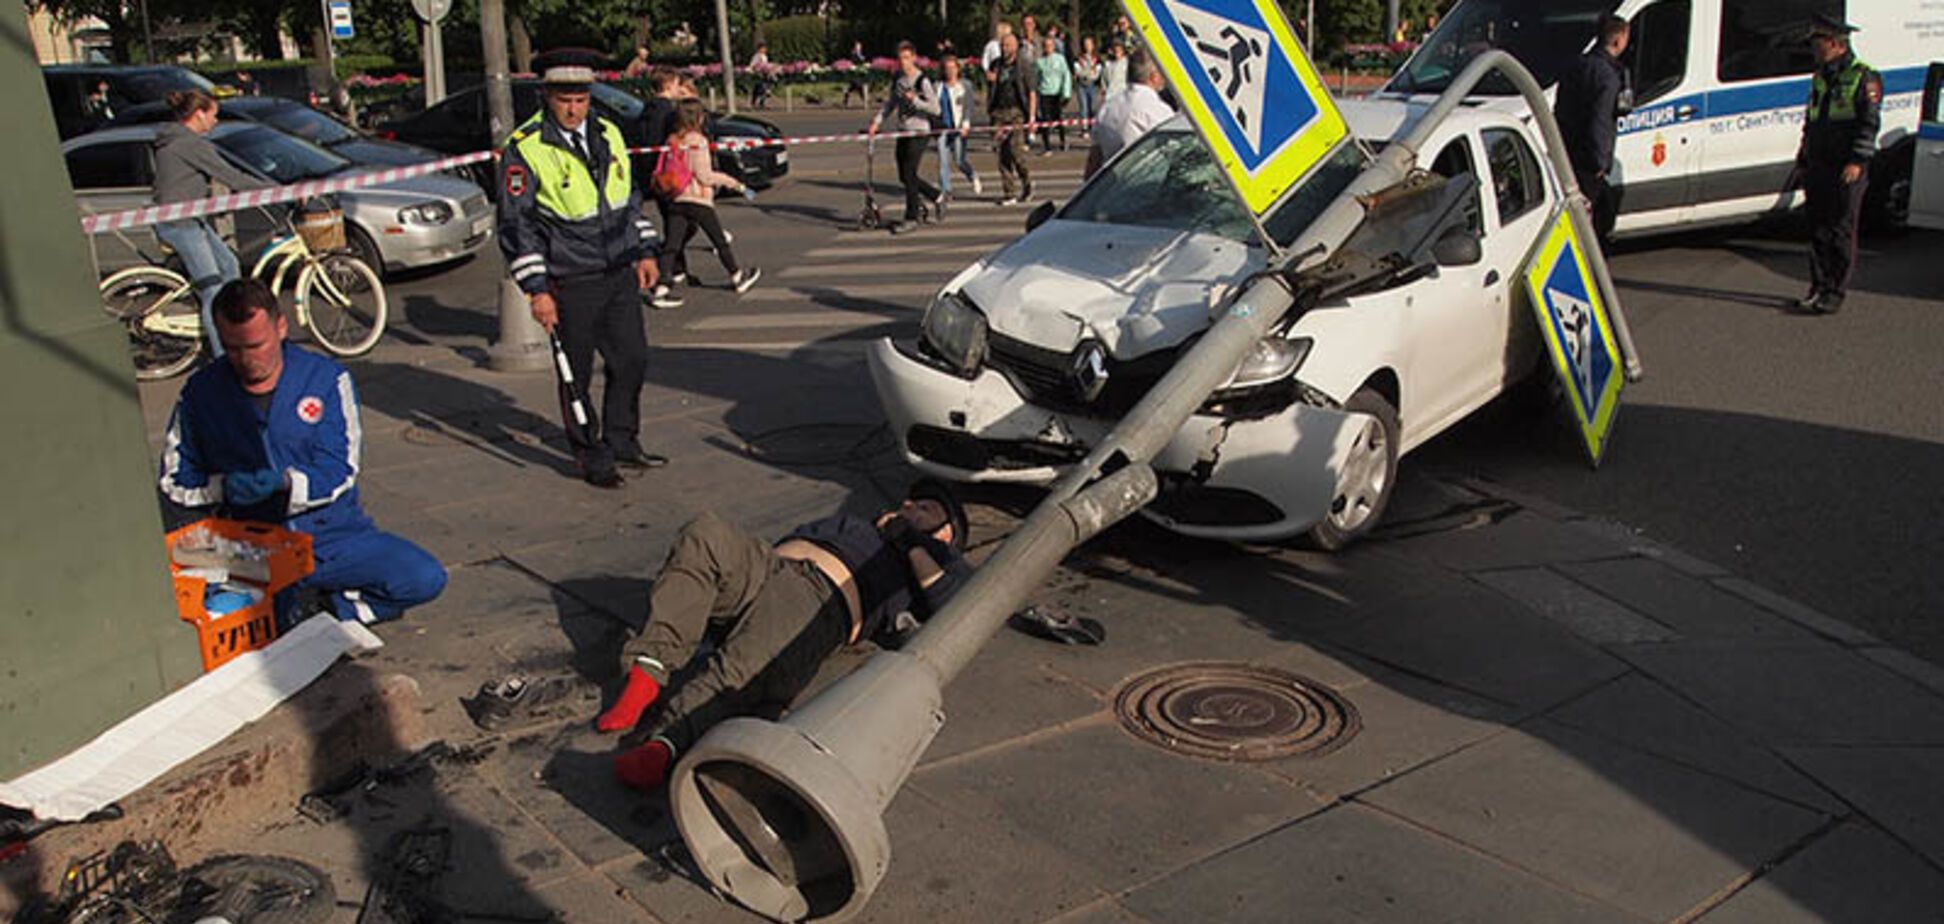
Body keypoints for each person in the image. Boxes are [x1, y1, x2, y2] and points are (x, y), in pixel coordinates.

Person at [598, 482, 975, 791]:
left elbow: (952, 606)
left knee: (742, 665)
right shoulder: (861, 525)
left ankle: (666, 742)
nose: (909, 504)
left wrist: (910, 542)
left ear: (947, 533)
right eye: (910, 500)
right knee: (707, 532)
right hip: (769, 567)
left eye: (925, 507)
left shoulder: (941, 559)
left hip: (819, 597)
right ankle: (648, 672)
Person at [160, 279, 447, 627]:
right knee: (236, 613)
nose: (246, 360)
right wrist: (220, 488)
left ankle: (332, 610)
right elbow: (175, 479)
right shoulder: (200, 391)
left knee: (422, 577)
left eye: (256, 345)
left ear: (281, 327)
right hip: (249, 545)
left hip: (330, 536)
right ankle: (288, 612)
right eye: (232, 348)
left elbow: (341, 467)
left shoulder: (326, 379)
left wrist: (285, 484)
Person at [497, 65, 666, 488]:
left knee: (632, 360)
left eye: (581, 100)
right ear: (547, 98)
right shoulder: (526, 147)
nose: (573, 110)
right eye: (565, 101)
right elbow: (518, 225)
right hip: (569, 277)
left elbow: (628, 197)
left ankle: (622, 440)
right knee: (576, 374)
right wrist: (537, 290)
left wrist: (645, 248)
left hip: (618, 270)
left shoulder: (608, 132)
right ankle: (592, 455)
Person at [151, 90, 273, 360]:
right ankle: (222, 357)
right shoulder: (189, 144)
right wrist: (277, 191)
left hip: (188, 219)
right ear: (199, 115)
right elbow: (231, 177)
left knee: (229, 266)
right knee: (213, 290)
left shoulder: (176, 139)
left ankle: (231, 327)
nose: (216, 121)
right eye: (213, 115)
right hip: (180, 223)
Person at [1792, 14, 1881, 315]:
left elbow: (1869, 124)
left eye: (1817, 43)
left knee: (1840, 229)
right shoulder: (1819, 77)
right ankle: (1817, 287)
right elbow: (1812, 120)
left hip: (1846, 167)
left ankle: (1835, 291)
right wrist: (1803, 157)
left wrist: (1857, 161)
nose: (1813, 49)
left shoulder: (1863, 77)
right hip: (1819, 164)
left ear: (1835, 44)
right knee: (1817, 229)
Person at [656, 98, 761, 300]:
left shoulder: (672, 140)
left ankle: (662, 286)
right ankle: (737, 276)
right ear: (699, 118)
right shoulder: (698, 141)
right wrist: (736, 184)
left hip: (676, 197)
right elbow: (704, 176)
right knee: (718, 240)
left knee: (672, 244)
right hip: (697, 198)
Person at [1554, 14, 1630, 243]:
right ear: (1618, 40)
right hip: (1589, 159)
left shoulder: (1575, 65)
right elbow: (1601, 120)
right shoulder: (1608, 76)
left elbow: (1560, 108)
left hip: (1568, 150)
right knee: (1596, 218)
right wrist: (1600, 161)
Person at [870, 41, 944, 232]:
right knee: (903, 175)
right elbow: (891, 103)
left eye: (907, 58)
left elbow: (936, 108)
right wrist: (877, 122)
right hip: (903, 130)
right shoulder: (899, 80)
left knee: (910, 172)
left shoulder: (922, 81)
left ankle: (911, 216)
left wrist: (916, 101)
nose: (903, 62)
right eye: (900, 58)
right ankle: (935, 195)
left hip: (920, 131)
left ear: (914, 58)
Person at [1086, 50, 1174, 177]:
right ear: (1154, 76)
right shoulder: (1158, 110)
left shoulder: (1107, 108)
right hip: (1148, 180)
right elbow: (1174, 151)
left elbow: (1094, 158)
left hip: (1111, 181)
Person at [987, 31, 1037, 205]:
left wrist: (1032, 117)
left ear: (1015, 47)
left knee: (1016, 152)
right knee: (1003, 154)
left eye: (1008, 45)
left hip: (1016, 112)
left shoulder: (1023, 65)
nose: (1004, 48)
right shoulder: (996, 64)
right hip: (999, 112)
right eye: (1002, 45)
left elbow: (1031, 92)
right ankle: (1009, 193)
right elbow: (991, 88)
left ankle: (1027, 182)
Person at [936, 53, 983, 199]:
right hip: (942, 128)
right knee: (943, 161)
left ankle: (972, 175)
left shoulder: (965, 85)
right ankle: (946, 190)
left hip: (959, 127)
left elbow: (968, 106)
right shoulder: (938, 86)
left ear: (958, 69)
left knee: (959, 160)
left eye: (953, 68)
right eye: (947, 68)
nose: (950, 71)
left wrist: (966, 123)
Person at [1034, 35, 1073, 153]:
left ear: (1054, 47)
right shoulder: (1040, 61)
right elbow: (1036, 77)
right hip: (1045, 93)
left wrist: (1066, 93)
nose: (1048, 48)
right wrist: (1036, 91)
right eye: (1046, 46)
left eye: (1050, 46)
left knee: (1059, 119)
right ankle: (1047, 146)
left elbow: (1066, 75)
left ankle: (1063, 141)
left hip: (1057, 93)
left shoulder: (1060, 59)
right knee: (1045, 120)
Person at [1072, 36, 1102, 134]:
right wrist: (1089, 72)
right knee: (1083, 107)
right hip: (1081, 86)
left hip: (1093, 86)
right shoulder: (1078, 59)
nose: (1087, 47)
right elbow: (1078, 72)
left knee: (1093, 107)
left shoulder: (1097, 59)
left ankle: (1093, 127)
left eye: (1089, 44)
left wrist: (1086, 72)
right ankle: (1084, 128)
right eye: (1085, 44)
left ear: (1093, 45)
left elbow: (1096, 74)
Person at [842, 40, 869, 108]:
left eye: (859, 47)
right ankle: (846, 102)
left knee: (861, 88)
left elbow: (863, 61)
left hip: (860, 75)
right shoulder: (853, 54)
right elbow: (851, 63)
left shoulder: (860, 54)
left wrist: (865, 64)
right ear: (854, 47)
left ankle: (865, 103)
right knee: (852, 88)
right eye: (857, 47)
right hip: (854, 75)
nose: (858, 48)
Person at [747, 42, 773, 109]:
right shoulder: (756, 56)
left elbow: (766, 65)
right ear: (759, 49)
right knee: (759, 88)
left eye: (765, 48)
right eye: (763, 48)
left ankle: (762, 103)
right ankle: (754, 103)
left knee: (766, 88)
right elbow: (752, 65)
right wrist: (755, 69)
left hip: (765, 74)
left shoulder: (765, 56)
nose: (765, 50)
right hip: (758, 74)